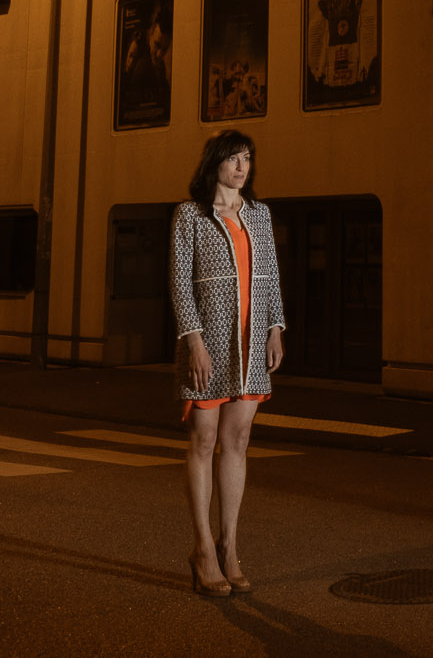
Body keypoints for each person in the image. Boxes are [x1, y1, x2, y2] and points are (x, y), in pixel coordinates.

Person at [171, 129, 286, 597]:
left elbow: (271, 274)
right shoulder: (190, 216)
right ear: (214, 163)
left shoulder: (259, 214)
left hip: (252, 343)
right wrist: (193, 341)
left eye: (247, 159)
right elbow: (180, 283)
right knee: (205, 440)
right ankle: (201, 548)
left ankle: (229, 546)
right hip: (208, 343)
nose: (242, 167)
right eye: (234, 158)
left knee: (238, 440)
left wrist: (275, 327)